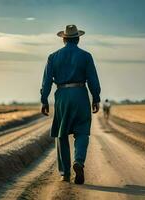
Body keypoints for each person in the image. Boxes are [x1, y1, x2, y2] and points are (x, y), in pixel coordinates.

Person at [40, 25, 101, 184]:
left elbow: (46, 82)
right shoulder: (86, 56)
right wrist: (96, 98)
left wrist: (44, 99)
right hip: (80, 94)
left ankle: (65, 173)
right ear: (78, 39)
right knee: (82, 132)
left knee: (62, 134)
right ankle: (78, 161)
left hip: (62, 96)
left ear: (64, 39)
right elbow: (93, 80)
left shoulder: (53, 57)